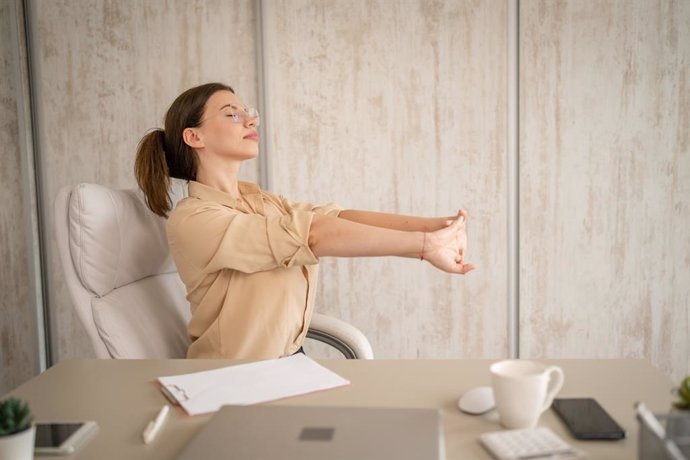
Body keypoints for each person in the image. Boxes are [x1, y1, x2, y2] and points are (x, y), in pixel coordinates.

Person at [134, 82, 475, 360]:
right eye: (232, 114)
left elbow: (336, 218)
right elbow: (312, 235)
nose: (251, 121)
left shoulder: (260, 201)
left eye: (248, 113)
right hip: (232, 382)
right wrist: (424, 246)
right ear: (195, 137)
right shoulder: (194, 218)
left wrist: (434, 228)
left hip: (289, 364)